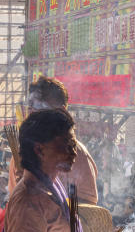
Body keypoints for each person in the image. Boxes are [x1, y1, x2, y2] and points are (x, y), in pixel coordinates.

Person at [4, 109, 82, 232]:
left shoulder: (51, 184)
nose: (74, 152)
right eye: (67, 145)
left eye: (74, 145)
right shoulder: (28, 198)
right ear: (39, 149)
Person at [8, 76, 99, 204]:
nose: (33, 116)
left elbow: (87, 208)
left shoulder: (74, 152)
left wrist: (49, 204)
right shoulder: (22, 151)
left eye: (40, 110)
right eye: (31, 109)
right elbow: (14, 201)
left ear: (62, 112)